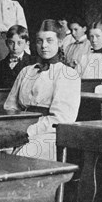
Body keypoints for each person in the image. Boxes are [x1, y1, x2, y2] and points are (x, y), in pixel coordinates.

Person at [4, 19, 80, 160]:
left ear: (60, 42)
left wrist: (29, 130)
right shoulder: (27, 71)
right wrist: (12, 129)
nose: (44, 46)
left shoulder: (68, 75)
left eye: (49, 40)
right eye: (39, 41)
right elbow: (10, 106)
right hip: (18, 131)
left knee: (18, 158)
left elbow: (62, 118)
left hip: (48, 136)